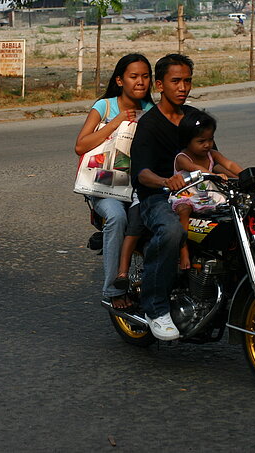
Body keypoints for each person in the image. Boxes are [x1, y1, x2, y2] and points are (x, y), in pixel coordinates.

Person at [75, 53, 154, 310]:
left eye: (145, 76)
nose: (140, 82)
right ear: (120, 80)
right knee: (117, 218)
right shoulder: (105, 107)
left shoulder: (152, 112)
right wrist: (117, 122)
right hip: (103, 185)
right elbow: (81, 145)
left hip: (137, 185)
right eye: (133, 77)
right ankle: (112, 288)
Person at [130, 53, 199, 341]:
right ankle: (156, 308)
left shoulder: (195, 118)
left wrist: (233, 173)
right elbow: (141, 173)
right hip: (156, 198)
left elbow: (210, 155)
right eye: (176, 81)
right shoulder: (150, 124)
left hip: (195, 193)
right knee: (171, 230)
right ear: (159, 85)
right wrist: (165, 182)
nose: (182, 87)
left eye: (187, 81)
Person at [170, 110, 242, 270]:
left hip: (208, 196)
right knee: (184, 211)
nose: (207, 145)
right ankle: (183, 252)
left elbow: (229, 164)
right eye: (201, 141)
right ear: (187, 141)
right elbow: (195, 169)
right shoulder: (182, 158)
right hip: (187, 195)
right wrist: (213, 174)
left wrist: (245, 175)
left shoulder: (212, 154)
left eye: (211, 139)